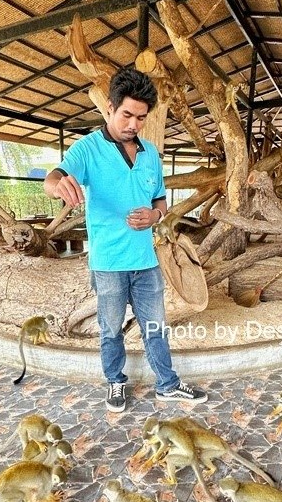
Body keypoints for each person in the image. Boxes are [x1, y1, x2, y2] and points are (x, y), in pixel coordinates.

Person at [44, 68, 207, 412]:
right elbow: (56, 175)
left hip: (146, 263)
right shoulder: (87, 149)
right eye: (127, 115)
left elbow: (161, 201)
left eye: (141, 117)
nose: (133, 124)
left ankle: (168, 384)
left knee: (155, 327)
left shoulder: (151, 154)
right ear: (110, 108)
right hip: (108, 264)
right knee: (110, 329)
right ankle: (116, 382)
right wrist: (56, 184)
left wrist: (155, 216)